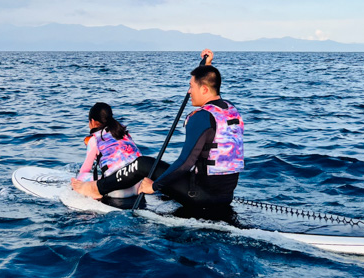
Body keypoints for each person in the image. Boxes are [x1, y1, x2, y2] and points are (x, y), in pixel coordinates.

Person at [71, 49, 244, 209]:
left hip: (199, 195)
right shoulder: (229, 111)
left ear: (204, 89)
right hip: (225, 195)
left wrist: (154, 186)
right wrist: (206, 68)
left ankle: (97, 188)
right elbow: (211, 87)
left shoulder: (201, 117)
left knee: (143, 164)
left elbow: (185, 163)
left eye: (191, 86)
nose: (189, 91)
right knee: (159, 170)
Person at [75, 102, 142, 198]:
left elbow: (85, 169)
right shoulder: (123, 133)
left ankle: (95, 193)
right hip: (138, 186)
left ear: (92, 122)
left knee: (80, 178)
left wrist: (78, 181)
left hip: (117, 191)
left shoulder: (95, 139)